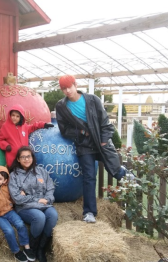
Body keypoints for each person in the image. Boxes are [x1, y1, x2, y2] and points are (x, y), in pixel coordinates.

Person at [55, 74, 133, 224]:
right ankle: (89, 212)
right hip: (84, 145)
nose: (67, 91)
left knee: (113, 169)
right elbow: (64, 129)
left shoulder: (92, 100)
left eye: (69, 87)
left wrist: (104, 140)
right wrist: (80, 133)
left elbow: (105, 122)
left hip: (100, 141)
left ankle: (123, 172)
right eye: (64, 89)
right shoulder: (61, 106)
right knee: (89, 177)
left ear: (75, 85)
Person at [9, 146, 58, 262]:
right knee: (39, 217)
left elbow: (50, 188)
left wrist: (47, 199)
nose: (26, 159)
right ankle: (32, 248)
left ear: (32, 158)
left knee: (53, 215)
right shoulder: (14, 175)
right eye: (23, 157)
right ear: (18, 159)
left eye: (28, 156)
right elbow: (17, 198)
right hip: (25, 207)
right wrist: (37, 200)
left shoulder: (41, 171)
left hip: (44, 205)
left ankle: (41, 249)